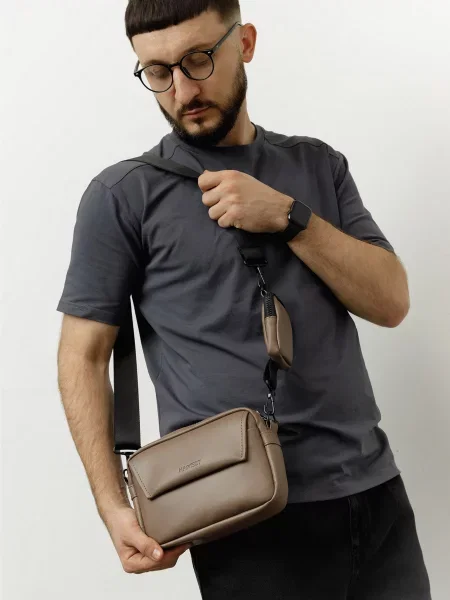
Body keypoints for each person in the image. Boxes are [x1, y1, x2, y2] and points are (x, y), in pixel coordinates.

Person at [56, 1, 432, 598]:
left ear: (246, 42)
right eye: (158, 72)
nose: (182, 90)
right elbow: (82, 355)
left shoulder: (317, 165)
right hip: (242, 514)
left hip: (375, 491)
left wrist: (288, 216)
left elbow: (391, 302)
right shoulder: (122, 195)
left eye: (198, 59)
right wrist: (112, 505)